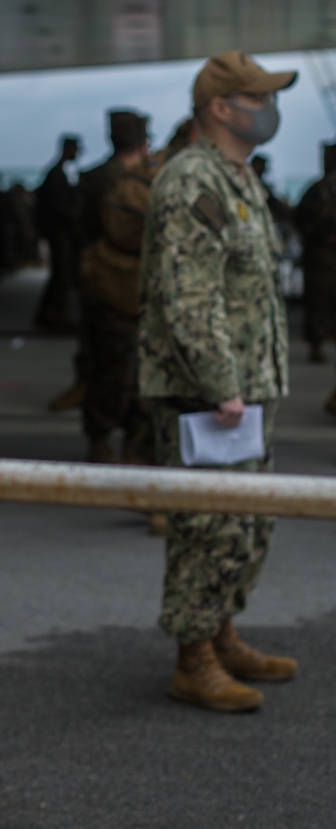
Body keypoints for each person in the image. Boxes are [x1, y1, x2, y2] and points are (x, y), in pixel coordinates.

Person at [139, 49, 298, 713]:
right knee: (207, 523)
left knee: (246, 522)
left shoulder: (238, 177)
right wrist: (221, 383)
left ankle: (222, 630)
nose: (270, 109)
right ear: (220, 108)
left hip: (245, 381)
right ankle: (193, 657)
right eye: (258, 98)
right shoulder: (192, 181)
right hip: (208, 392)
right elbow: (189, 294)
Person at [77, 112, 153, 466]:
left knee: (106, 367)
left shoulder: (92, 178)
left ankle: (102, 439)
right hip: (130, 288)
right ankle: (127, 443)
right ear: (142, 141)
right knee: (132, 372)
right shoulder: (143, 182)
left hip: (101, 284)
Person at [33, 134, 82, 331]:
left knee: (60, 275)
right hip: (58, 232)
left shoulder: (57, 172)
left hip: (58, 231)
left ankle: (47, 313)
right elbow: (57, 207)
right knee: (61, 274)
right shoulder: (56, 174)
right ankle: (56, 314)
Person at [294, 143, 336, 367]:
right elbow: (301, 219)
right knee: (318, 301)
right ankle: (316, 342)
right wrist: (319, 237)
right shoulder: (318, 189)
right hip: (321, 256)